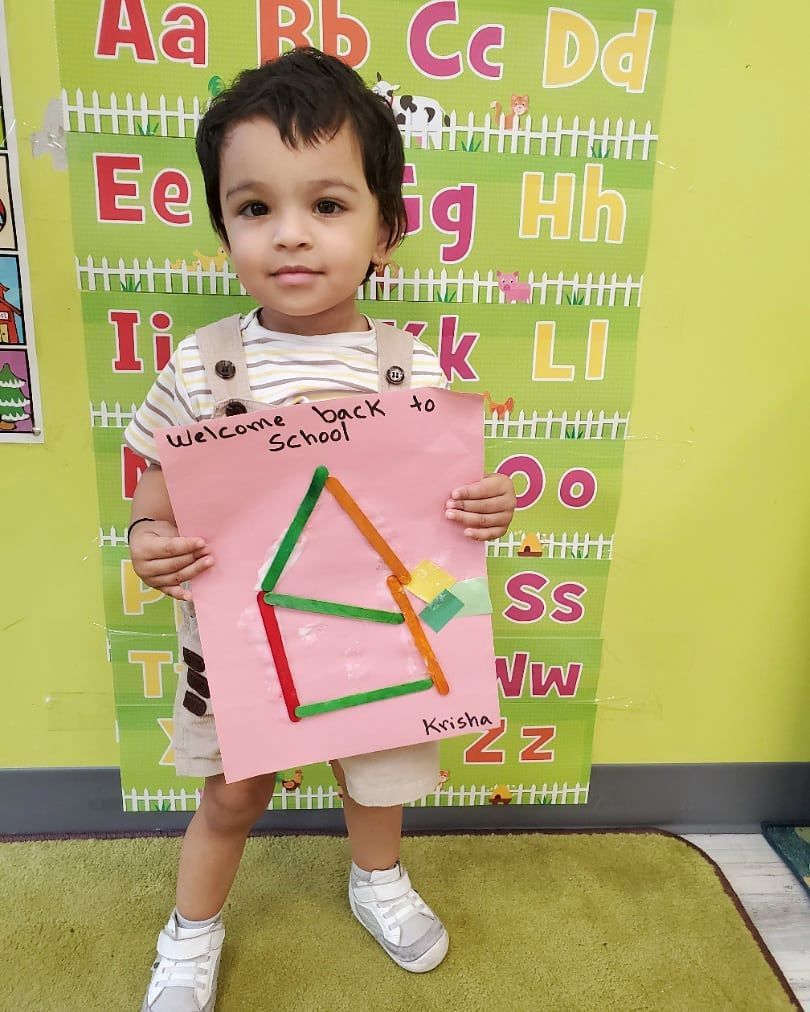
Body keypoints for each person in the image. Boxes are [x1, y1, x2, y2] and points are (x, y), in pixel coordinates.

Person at [125, 46, 517, 1012]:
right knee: (232, 794)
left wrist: (485, 507)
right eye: (256, 208)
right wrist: (147, 540)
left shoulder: (408, 366)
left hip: (375, 634)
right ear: (223, 225)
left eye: (328, 206)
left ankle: (377, 878)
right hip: (243, 636)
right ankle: (191, 932)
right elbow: (152, 492)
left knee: (376, 772)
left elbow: (441, 513)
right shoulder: (200, 365)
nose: (291, 237)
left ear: (387, 229)